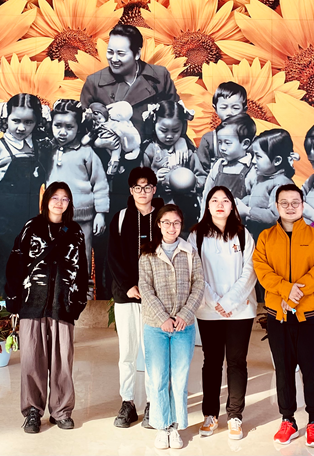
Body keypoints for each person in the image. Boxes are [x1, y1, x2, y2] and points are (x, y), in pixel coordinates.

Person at [5, 182, 89, 434]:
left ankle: (61, 411)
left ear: (69, 203)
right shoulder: (31, 227)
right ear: (46, 200)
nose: (59, 203)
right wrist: (13, 300)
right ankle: (32, 410)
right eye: (55, 197)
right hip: (32, 303)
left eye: (65, 199)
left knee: (63, 361)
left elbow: (82, 270)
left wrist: (77, 303)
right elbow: (16, 262)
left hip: (63, 305)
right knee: (32, 360)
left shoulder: (75, 231)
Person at [253, 183, 314, 449]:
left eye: (295, 202)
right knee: (284, 370)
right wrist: (286, 290)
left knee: (312, 369)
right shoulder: (266, 237)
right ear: (276, 206)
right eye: (284, 203)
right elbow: (262, 270)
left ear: (303, 205)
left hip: (309, 315)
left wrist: (297, 293)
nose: (289, 207)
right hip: (279, 315)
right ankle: (288, 420)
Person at [81, 23, 179, 218]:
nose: (113, 58)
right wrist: (99, 142)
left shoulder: (159, 77)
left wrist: (180, 143)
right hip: (111, 166)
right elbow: (82, 128)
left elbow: (174, 116)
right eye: (110, 52)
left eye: (121, 53)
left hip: (151, 164)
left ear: (137, 53)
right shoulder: (94, 82)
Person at [188, 186, 257, 440]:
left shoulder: (243, 234)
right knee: (212, 362)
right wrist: (215, 301)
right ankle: (210, 414)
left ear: (232, 206)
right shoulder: (196, 235)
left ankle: (235, 415)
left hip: (240, 310)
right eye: (214, 200)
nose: (220, 204)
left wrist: (228, 302)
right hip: (208, 310)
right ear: (207, 205)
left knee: (237, 362)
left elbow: (250, 271)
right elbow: (195, 272)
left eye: (225, 200)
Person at [138, 204, 204, 449]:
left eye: (176, 222)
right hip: (156, 326)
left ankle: (174, 427)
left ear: (181, 225)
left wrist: (184, 315)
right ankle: (161, 426)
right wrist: (163, 318)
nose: (171, 227)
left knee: (179, 378)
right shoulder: (148, 253)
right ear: (158, 224)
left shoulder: (190, 251)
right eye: (166, 222)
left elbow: (199, 284)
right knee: (157, 378)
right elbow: (145, 288)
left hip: (183, 327)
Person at [107, 167, 164, 429]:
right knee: (127, 352)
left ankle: (153, 403)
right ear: (131, 191)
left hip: (156, 298)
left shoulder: (163, 218)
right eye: (138, 188)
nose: (143, 192)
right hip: (126, 296)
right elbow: (112, 257)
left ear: (154, 189)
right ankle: (127, 403)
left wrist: (153, 289)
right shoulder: (120, 218)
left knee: (153, 353)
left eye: (147, 187)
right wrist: (129, 285)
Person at [0, 93, 49, 298]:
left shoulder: (40, 149)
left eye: (29, 122)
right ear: (6, 118)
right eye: (16, 121)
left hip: (28, 221)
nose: (21, 128)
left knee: (24, 271)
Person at [44, 99, 110, 298]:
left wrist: (100, 214)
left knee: (82, 256)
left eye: (69, 127)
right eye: (58, 126)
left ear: (78, 128)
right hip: (56, 219)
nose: (62, 132)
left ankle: (84, 296)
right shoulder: (47, 151)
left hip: (82, 219)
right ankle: (58, 296)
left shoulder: (86, 153)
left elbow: (100, 183)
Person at [141, 100, 206, 236]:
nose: (170, 136)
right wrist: (154, 179)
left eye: (175, 130)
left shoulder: (187, 152)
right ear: (154, 125)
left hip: (184, 210)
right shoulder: (150, 150)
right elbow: (139, 180)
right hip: (157, 209)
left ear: (183, 127)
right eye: (163, 130)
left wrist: (190, 181)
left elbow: (202, 178)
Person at [236, 129, 299, 241]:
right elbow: (255, 198)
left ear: (277, 160)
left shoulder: (282, 185)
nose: (253, 161)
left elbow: (275, 216)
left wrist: (247, 211)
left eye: (258, 156)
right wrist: (239, 203)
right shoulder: (262, 177)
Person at [196, 82, 248, 174]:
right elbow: (202, 171)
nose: (229, 112)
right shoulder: (209, 139)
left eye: (235, 108)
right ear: (215, 108)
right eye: (224, 107)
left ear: (244, 110)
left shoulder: (251, 139)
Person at [202, 113, 256, 202]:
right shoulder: (218, 166)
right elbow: (207, 195)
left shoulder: (253, 170)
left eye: (227, 143)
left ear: (245, 144)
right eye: (220, 142)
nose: (222, 148)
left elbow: (255, 200)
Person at [81, 101, 141, 176]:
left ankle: (115, 164)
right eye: (96, 120)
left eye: (99, 118)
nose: (98, 121)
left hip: (114, 142)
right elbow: (87, 138)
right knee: (113, 147)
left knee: (116, 148)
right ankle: (116, 163)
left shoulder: (114, 124)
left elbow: (124, 133)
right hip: (103, 143)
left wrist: (126, 143)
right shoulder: (97, 126)